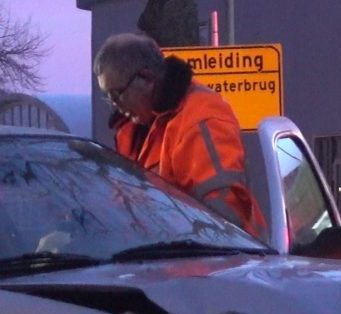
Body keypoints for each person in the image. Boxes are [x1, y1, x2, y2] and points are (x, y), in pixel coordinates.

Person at [95, 33, 266, 235]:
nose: (115, 105)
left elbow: (226, 214)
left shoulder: (201, 119)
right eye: (108, 97)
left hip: (226, 261)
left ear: (147, 78)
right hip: (168, 259)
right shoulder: (136, 130)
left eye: (117, 94)